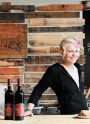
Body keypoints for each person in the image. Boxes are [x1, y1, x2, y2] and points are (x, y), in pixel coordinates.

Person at [25, 37, 88, 116]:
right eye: (70, 51)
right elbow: (38, 89)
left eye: (76, 51)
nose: (74, 54)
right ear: (62, 52)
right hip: (68, 117)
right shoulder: (54, 70)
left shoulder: (77, 67)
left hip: (84, 115)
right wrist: (29, 109)